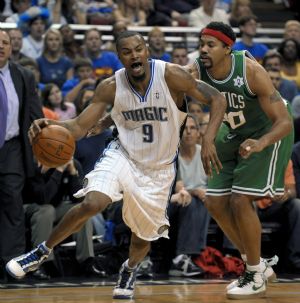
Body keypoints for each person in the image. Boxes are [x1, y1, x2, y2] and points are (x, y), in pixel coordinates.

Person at [6, 31, 227, 299]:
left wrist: (210, 140)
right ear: (119, 56)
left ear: (146, 51)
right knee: (92, 202)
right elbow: (78, 127)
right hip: (123, 155)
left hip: (159, 169)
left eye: (138, 49)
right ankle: (41, 252)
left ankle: (130, 268)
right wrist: (49, 124)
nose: (134, 55)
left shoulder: (171, 76)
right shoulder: (110, 86)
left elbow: (217, 99)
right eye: (126, 51)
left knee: (142, 237)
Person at [188, 22, 293, 299]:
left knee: (239, 199)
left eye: (211, 45)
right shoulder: (198, 68)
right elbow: (178, 86)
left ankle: (254, 274)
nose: (204, 49)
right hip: (234, 130)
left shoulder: (251, 72)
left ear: (227, 48)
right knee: (215, 202)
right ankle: (256, 265)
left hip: (267, 133)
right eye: (202, 43)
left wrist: (260, 143)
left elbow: (283, 121)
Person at [0, 29, 43, 279]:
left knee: (13, 207)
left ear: (11, 48)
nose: (1, 46)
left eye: (5, 42)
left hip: (12, 147)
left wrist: (41, 148)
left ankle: (11, 265)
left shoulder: (24, 75)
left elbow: (35, 115)